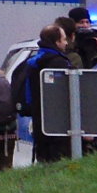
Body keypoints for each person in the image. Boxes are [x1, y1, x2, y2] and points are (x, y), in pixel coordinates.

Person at [28, 24, 72, 163]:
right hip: (59, 126)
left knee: (44, 163)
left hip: (39, 123)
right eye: (64, 39)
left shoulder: (34, 61)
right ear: (56, 42)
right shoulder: (59, 63)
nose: (66, 43)